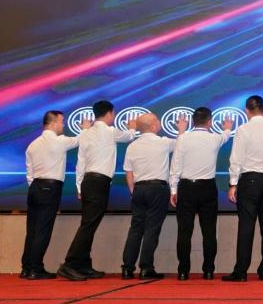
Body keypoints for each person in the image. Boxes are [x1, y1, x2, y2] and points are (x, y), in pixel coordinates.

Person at [58, 100, 138, 281]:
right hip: (99, 182)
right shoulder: (110, 131)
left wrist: (79, 185)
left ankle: (84, 265)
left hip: (88, 181)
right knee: (89, 225)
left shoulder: (86, 133)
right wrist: (132, 127)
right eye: (113, 113)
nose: (114, 116)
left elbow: (81, 162)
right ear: (109, 113)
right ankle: (69, 264)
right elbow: (128, 136)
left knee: (88, 223)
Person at [223, 95, 263, 282]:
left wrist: (233, 184)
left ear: (246, 111)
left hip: (250, 180)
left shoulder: (243, 129)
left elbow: (236, 159)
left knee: (246, 226)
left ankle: (241, 271)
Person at [169, 106, 234, 280]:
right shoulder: (215, 138)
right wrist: (228, 127)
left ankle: (183, 271)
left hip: (186, 188)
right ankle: (209, 270)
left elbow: (175, 166)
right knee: (209, 232)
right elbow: (225, 135)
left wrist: (173, 190)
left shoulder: (183, 139)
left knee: (184, 231)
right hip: (208, 188)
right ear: (210, 121)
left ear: (193, 121)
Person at [21, 110, 78, 280]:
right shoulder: (59, 141)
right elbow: (79, 140)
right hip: (50, 188)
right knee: (43, 230)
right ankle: (36, 269)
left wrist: (37, 186)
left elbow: (29, 174)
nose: (63, 124)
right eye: (61, 121)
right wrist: (85, 128)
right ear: (53, 123)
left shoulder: (33, 144)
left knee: (32, 230)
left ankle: (26, 268)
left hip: (35, 187)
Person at [121, 113, 178, 280]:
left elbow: (129, 172)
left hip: (138, 189)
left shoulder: (132, 146)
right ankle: (146, 267)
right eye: (157, 120)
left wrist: (133, 191)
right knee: (152, 229)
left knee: (135, 229)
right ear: (153, 125)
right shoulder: (163, 142)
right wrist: (181, 129)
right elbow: (181, 143)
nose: (159, 122)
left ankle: (127, 268)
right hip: (157, 189)